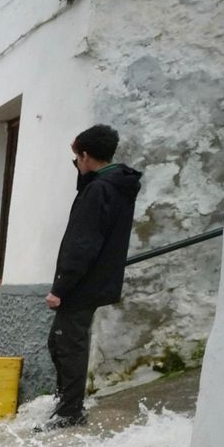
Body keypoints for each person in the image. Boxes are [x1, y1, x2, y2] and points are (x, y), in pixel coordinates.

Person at [40, 124, 142, 430]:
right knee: (60, 341)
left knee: (68, 343)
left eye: (77, 159)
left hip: (83, 281)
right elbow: (87, 186)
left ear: (86, 156)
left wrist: (61, 287)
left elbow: (82, 242)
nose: (77, 166)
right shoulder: (115, 183)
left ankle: (69, 412)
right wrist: (81, 159)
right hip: (98, 278)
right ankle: (65, 403)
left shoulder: (99, 189)